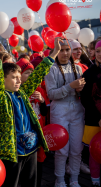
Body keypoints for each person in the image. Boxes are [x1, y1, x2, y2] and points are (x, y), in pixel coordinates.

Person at [0, 37, 59, 187]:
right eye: (13, 78)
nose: (18, 81)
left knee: (31, 183)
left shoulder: (22, 93)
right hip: (13, 152)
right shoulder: (1, 96)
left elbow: (37, 75)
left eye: (19, 77)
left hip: (31, 149)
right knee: (10, 183)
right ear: (4, 79)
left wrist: (54, 53)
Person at [45, 39, 85, 187]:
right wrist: (70, 86)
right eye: (61, 50)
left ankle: (74, 178)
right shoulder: (51, 69)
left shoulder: (78, 69)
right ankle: (59, 180)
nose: (65, 53)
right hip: (59, 111)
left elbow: (82, 92)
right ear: (56, 51)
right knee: (61, 150)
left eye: (68, 49)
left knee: (76, 149)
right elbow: (51, 94)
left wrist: (81, 89)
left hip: (77, 111)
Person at [16, 58, 49, 187]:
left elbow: (45, 113)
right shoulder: (18, 92)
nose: (31, 75)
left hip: (38, 132)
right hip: (24, 135)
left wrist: (41, 101)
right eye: (27, 72)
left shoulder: (39, 90)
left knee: (38, 162)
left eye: (32, 72)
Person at [81, 40, 101, 187]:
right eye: (98, 51)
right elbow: (85, 99)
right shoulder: (88, 73)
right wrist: (98, 118)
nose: (100, 54)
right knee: (94, 151)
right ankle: (95, 180)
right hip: (93, 119)